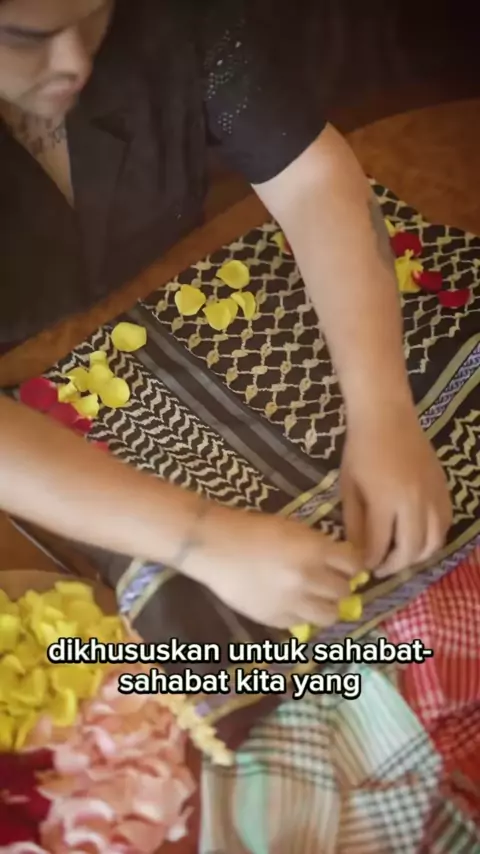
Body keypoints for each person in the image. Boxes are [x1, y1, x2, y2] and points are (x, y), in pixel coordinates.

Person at [0, 0, 451, 630]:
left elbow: (310, 179)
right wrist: (202, 539)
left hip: (154, 303)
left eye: (96, 13)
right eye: (25, 36)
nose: (76, 60)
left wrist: (383, 413)